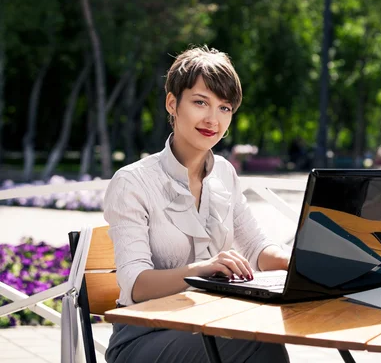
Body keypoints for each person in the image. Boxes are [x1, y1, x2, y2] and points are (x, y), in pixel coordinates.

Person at [102, 46, 291, 363]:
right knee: (259, 345)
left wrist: (304, 263)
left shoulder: (225, 174)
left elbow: (257, 247)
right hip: (144, 336)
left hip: (210, 324)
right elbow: (135, 284)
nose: (212, 119)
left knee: (262, 339)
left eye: (224, 108)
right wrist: (202, 270)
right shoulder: (132, 182)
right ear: (172, 103)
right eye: (201, 102)